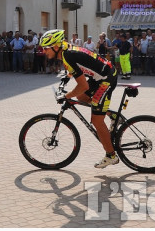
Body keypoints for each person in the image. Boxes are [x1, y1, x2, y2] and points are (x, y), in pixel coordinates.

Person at [40, 29, 119, 168]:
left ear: (56, 46)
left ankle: (111, 155)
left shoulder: (67, 56)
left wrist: (66, 96)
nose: (44, 52)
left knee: (96, 120)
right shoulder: (68, 50)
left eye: (46, 49)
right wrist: (66, 79)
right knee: (81, 97)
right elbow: (78, 67)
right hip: (100, 75)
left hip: (106, 79)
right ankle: (111, 115)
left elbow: (83, 85)